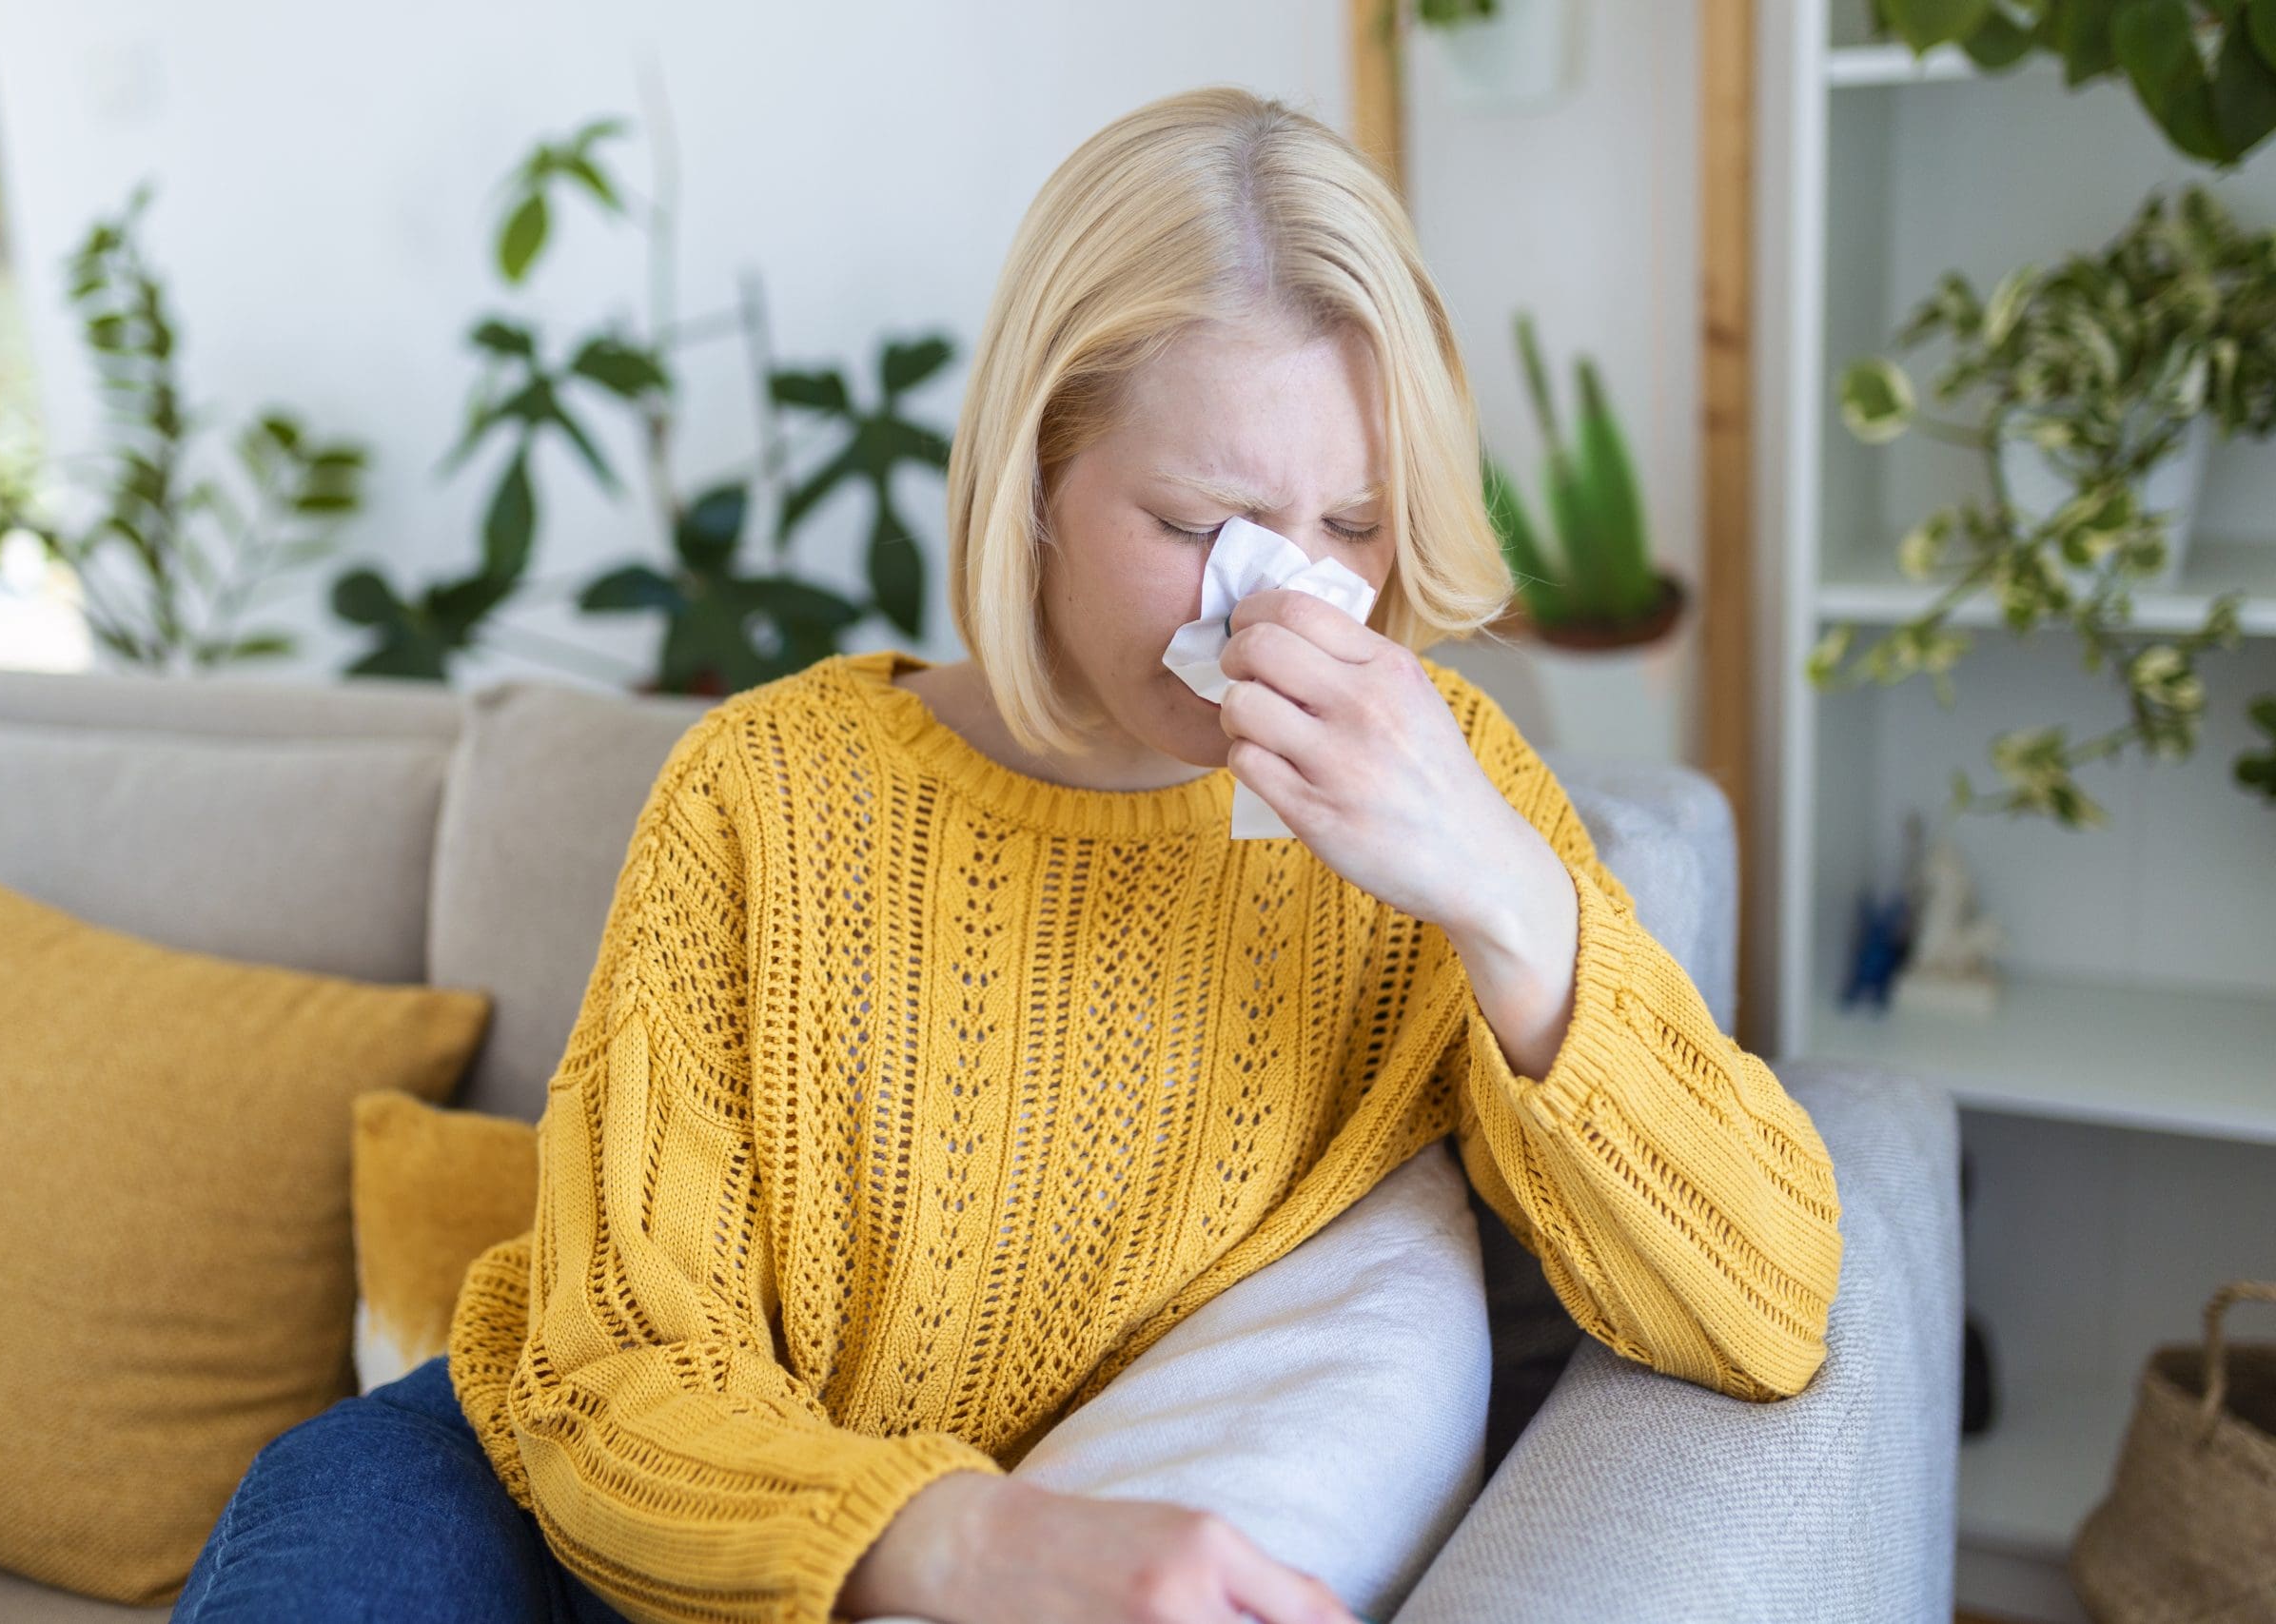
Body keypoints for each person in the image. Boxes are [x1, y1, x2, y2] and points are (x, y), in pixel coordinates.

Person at [174, 83, 1844, 1624]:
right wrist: (952, 1537)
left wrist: (1501, 894)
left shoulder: (1440, 804)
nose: (1279, 603)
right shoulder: (763, 789)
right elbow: (607, 1374)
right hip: (527, 1501)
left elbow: (1769, 1309)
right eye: (1199, 527)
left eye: (1349, 525)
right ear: (1037, 477)